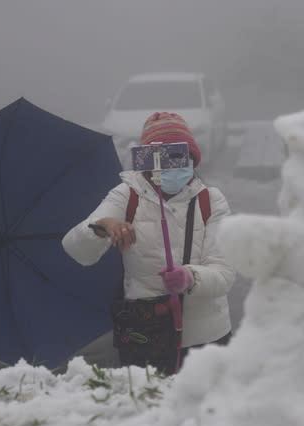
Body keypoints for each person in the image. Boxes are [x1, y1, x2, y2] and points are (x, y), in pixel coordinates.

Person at [62, 112, 235, 373]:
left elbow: (225, 272)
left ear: (192, 159)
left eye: (178, 155)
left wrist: (190, 278)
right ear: (145, 161)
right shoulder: (127, 194)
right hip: (145, 334)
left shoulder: (211, 200)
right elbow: (76, 249)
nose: (169, 165)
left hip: (206, 339)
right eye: (159, 157)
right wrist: (104, 226)